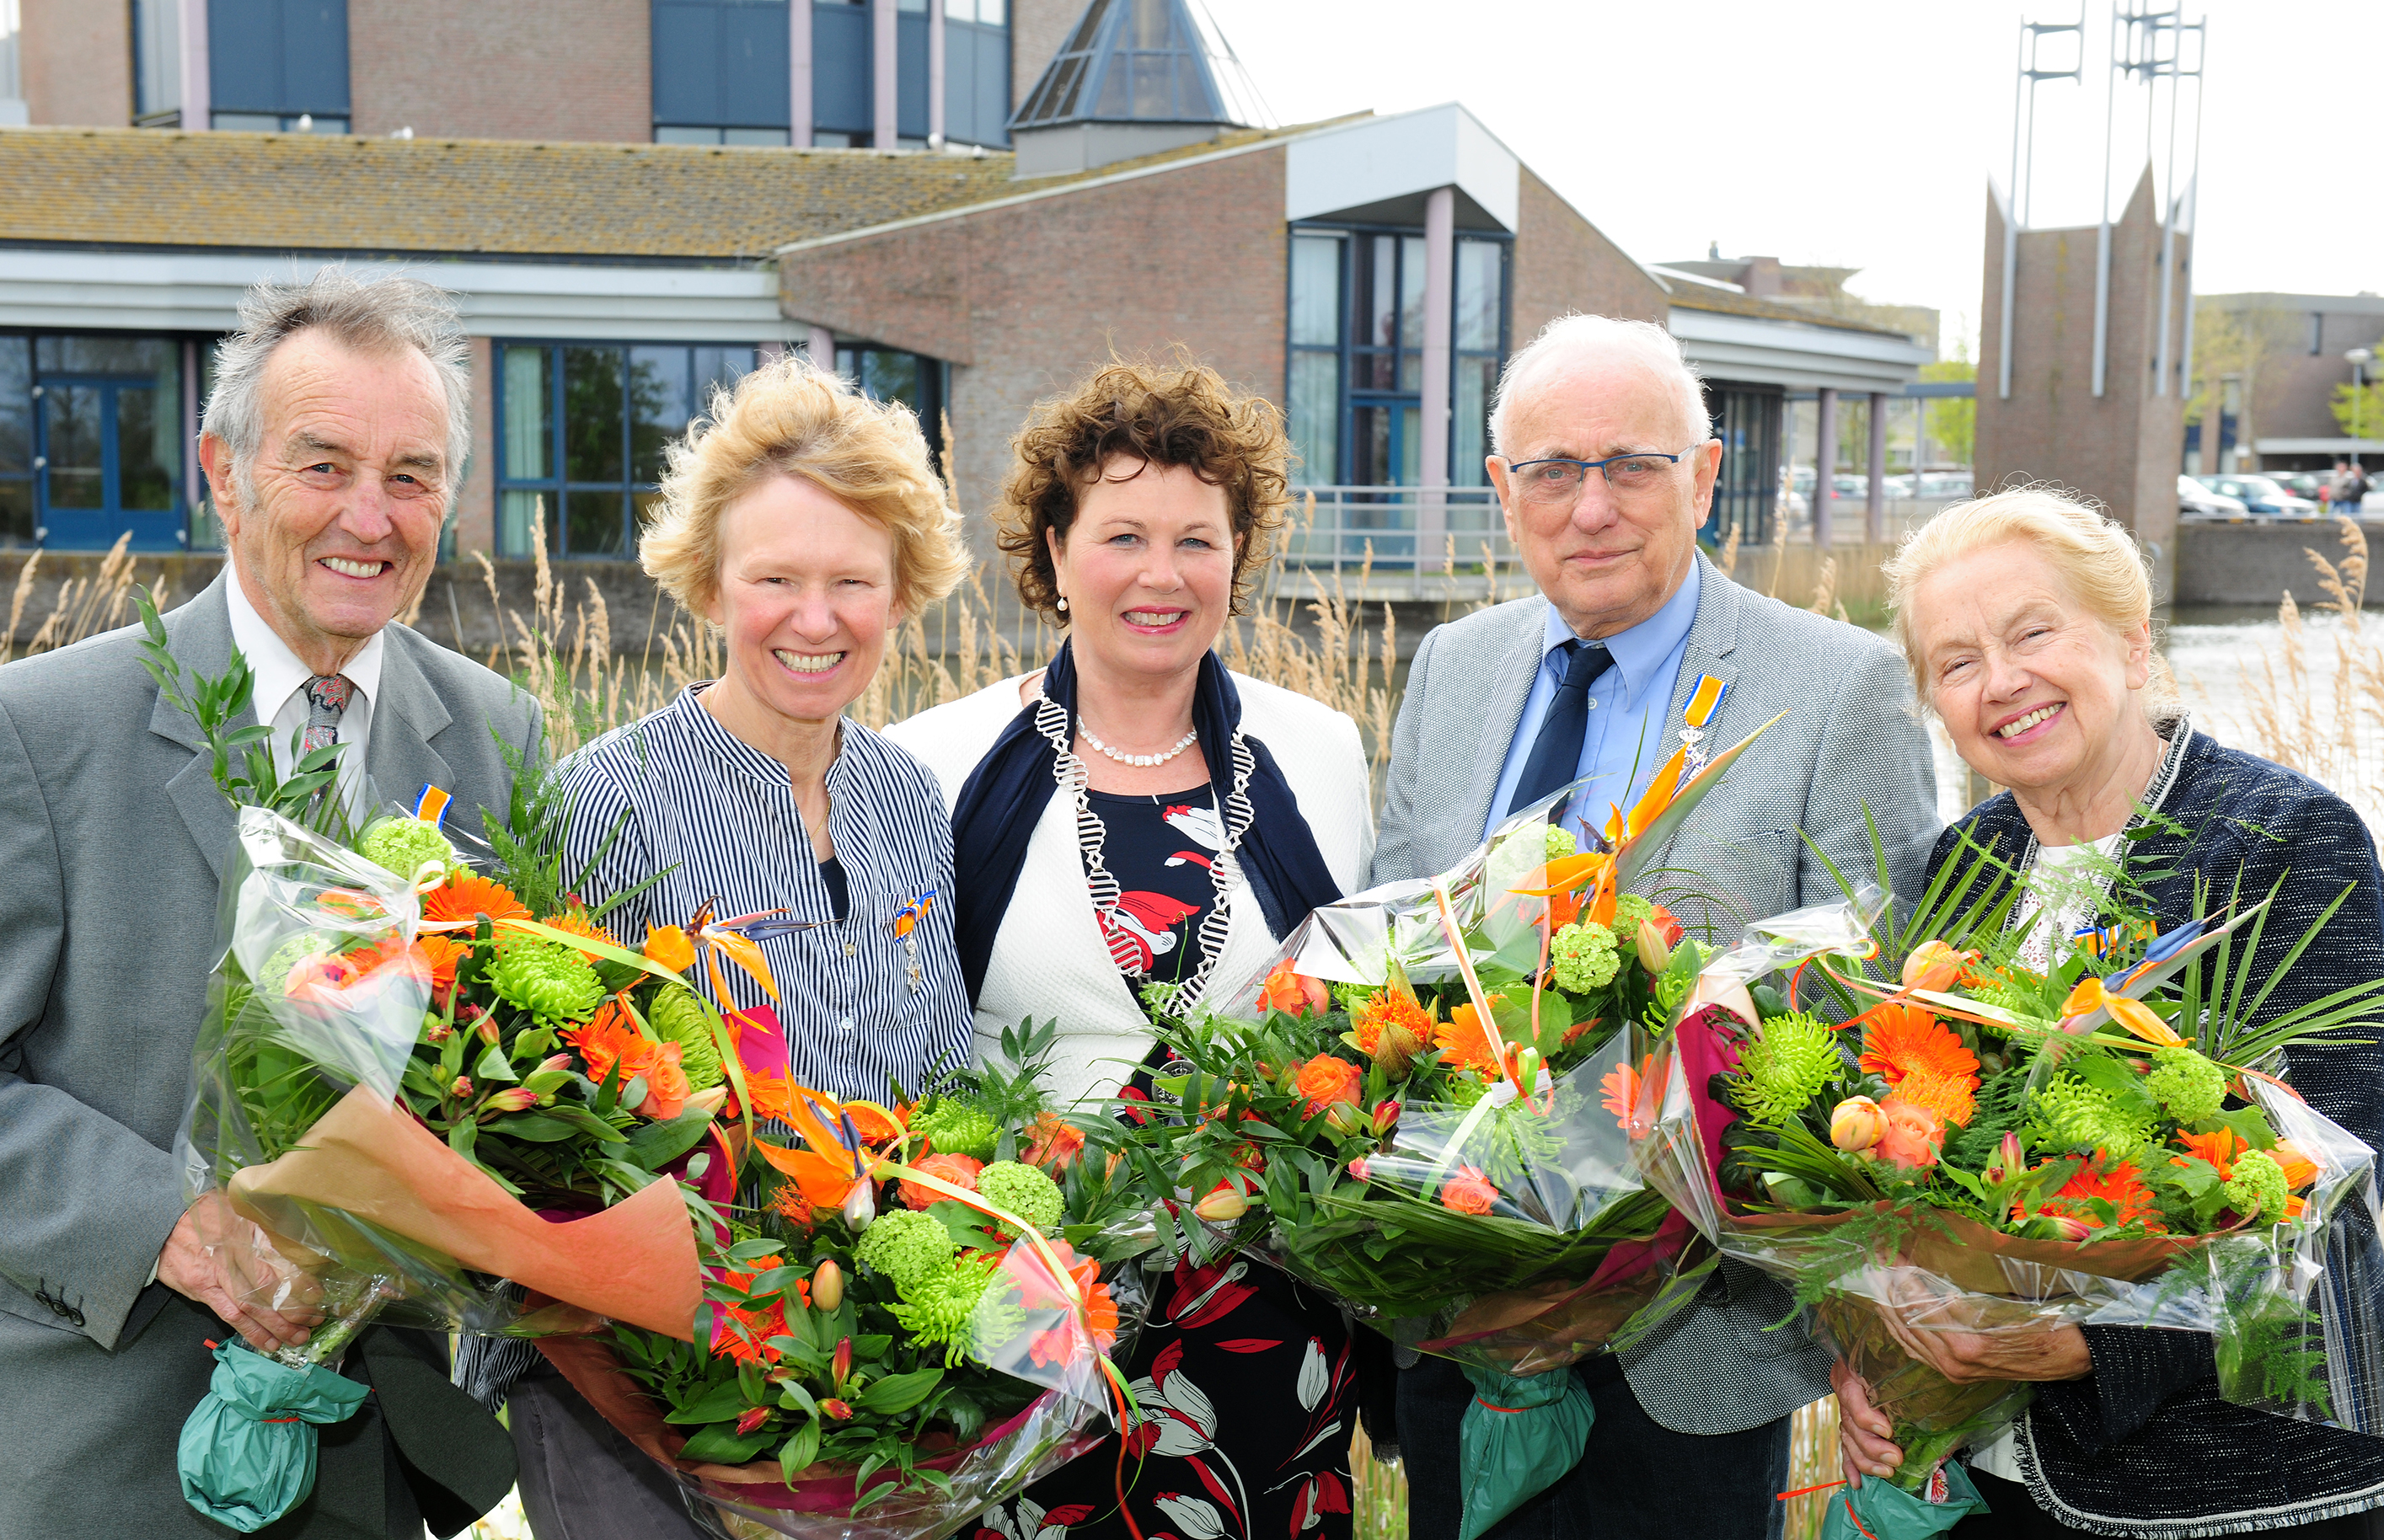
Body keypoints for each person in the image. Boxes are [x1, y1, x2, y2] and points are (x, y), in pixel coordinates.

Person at [1373, 313, 1944, 1540]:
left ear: (1706, 474)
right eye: (1554, 471)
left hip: (1693, 1355)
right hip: (1458, 1321)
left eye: (1632, 464)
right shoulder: (1453, 668)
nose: (1594, 507)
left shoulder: (1838, 685)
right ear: (1500, 490)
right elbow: (1393, 951)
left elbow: (1883, 998)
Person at [0, 270, 534, 1539]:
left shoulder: (500, 734)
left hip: (379, 1465)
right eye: (322, 465)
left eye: (411, 475)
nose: (371, 515)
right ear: (224, 473)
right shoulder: (39, 729)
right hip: (100, 1453)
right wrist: (172, 1227)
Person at [481, 353, 975, 1539]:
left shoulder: (913, 799)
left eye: (854, 580)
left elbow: (945, 1082)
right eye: (776, 579)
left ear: (902, 594)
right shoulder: (602, 801)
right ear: (708, 585)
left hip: (862, 1398)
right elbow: (534, 1144)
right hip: (638, 1397)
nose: (817, 620)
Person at [887, 359, 1374, 1540]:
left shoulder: (1319, 751)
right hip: (1025, 1323)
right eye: (1121, 535)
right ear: (1052, 554)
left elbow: (1362, 1023)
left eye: (1197, 541)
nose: (1162, 575)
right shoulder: (930, 762)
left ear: (1236, 561)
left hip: (1275, 1321)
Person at [1836, 488, 2384, 1537]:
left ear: (2133, 643)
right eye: (1954, 662)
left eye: (2034, 632)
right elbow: (1910, 1156)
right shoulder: (1966, 866)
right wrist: (1878, 1349)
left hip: (2234, 1488)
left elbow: (2346, 1193)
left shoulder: (2281, 840)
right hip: (1994, 1470)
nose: (2001, 681)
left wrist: (2104, 1344)